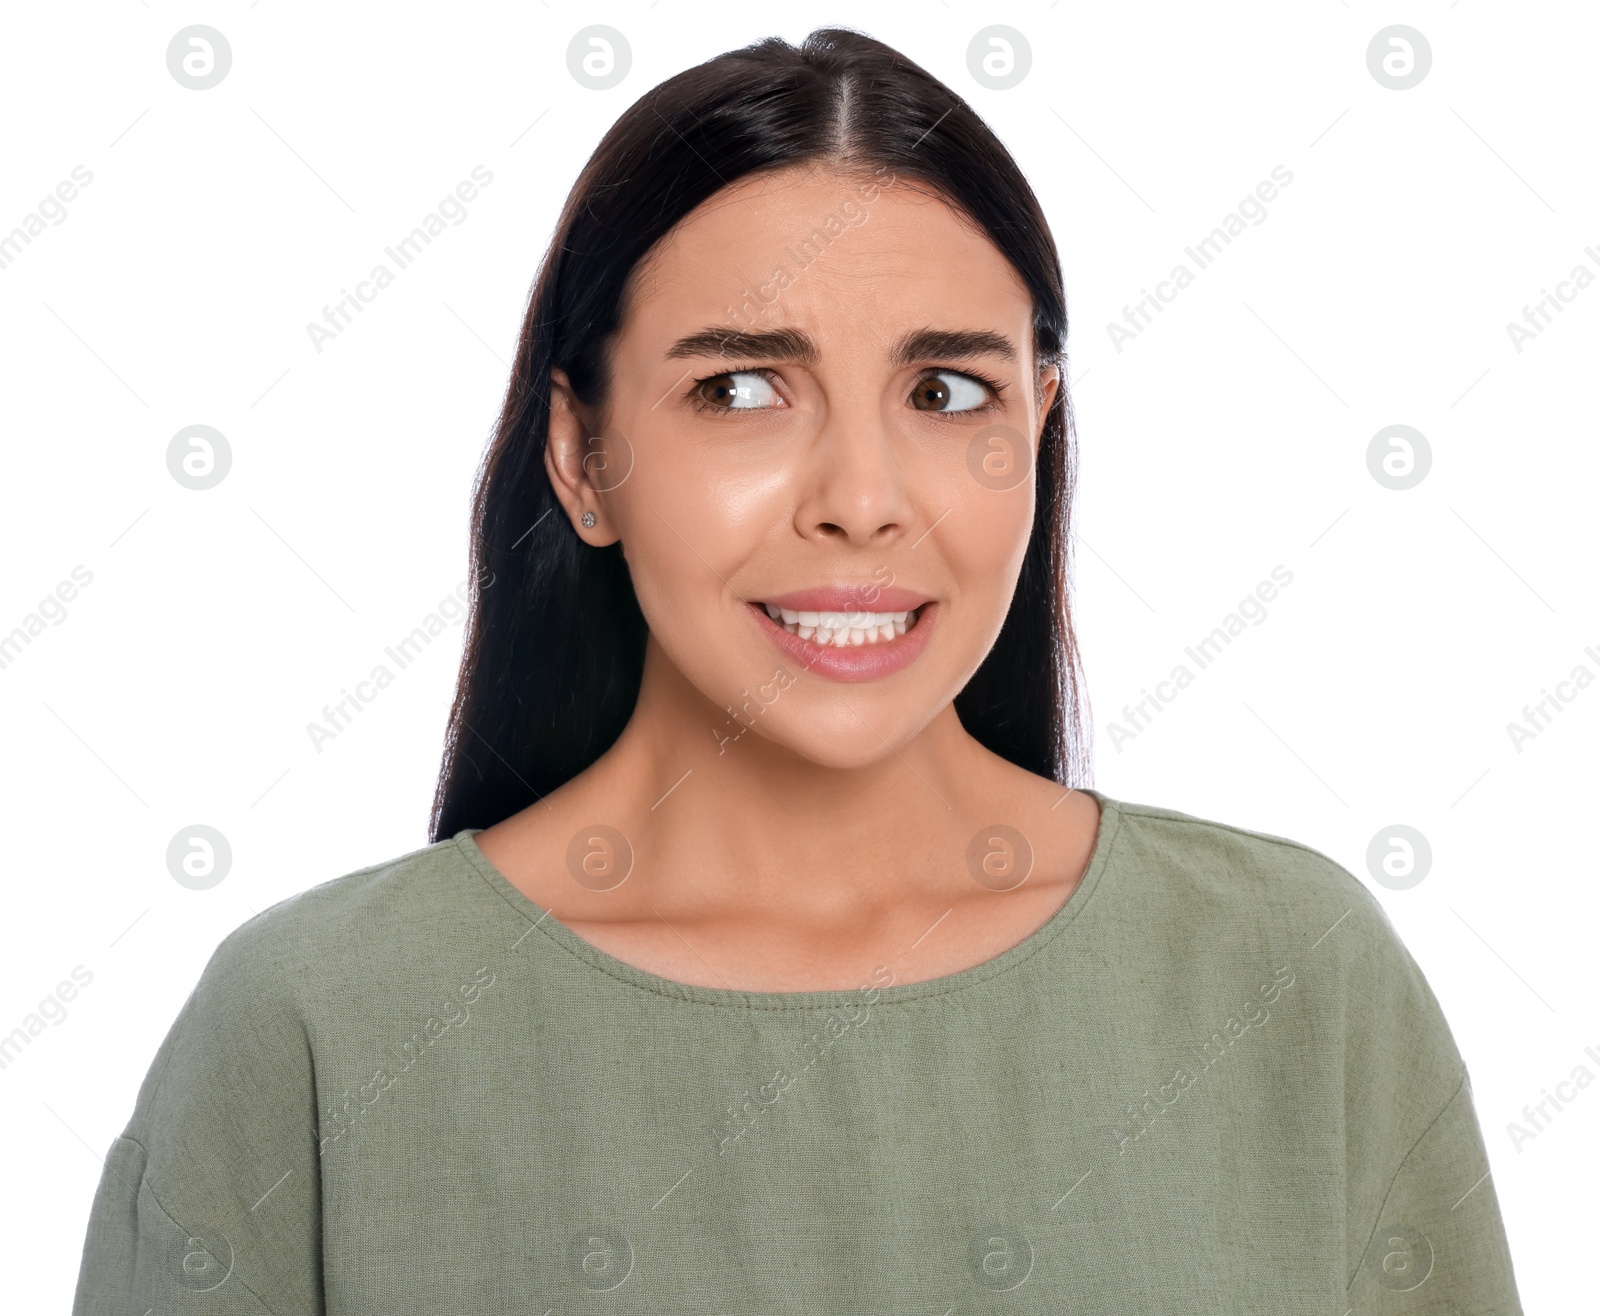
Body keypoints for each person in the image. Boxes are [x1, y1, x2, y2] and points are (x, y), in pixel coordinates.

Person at [72, 27, 1523, 1313]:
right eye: (743, 389)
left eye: (948, 391)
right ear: (583, 456)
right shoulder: (316, 1033)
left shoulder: (1294, 985)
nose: (862, 497)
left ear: (1039, 424)